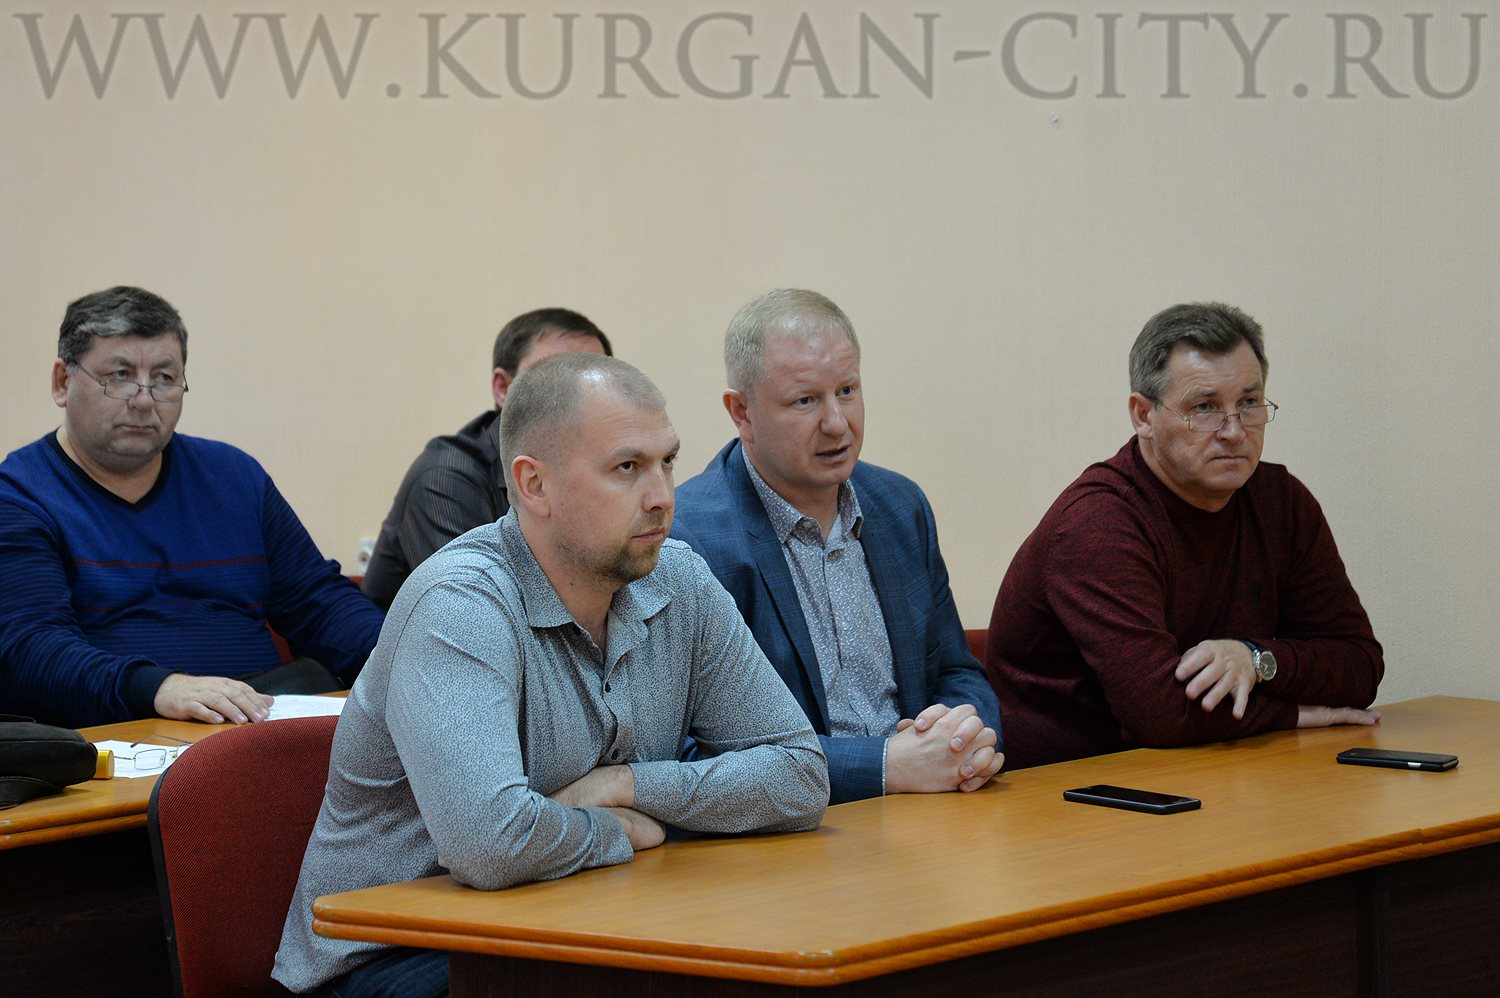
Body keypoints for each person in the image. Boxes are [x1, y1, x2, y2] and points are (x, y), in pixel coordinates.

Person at [273, 353, 828, 997]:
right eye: (627, 468)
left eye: (667, 462)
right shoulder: (459, 604)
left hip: (567, 919)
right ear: (534, 484)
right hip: (391, 955)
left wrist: (626, 786)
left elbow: (800, 775)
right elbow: (489, 847)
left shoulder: (679, 579)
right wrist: (616, 829)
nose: (661, 497)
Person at [986, 302, 1384, 769]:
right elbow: (1160, 714)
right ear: (1143, 416)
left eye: (1249, 404)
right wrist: (1293, 713)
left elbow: (1360, 665)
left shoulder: (1282, 501)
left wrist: (1255, 659)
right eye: (1204, 408)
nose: (1234, 431)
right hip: (1070, 784)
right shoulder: (1098, 523)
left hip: (1208, 767)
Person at [671, 289, 1002, 805]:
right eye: (805, 401)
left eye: (847, 390)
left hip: (935, 808)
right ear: (742, 412)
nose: (836, 422)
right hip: (793, 832)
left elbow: (957, 671)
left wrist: (962, 739)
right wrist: (884, 767)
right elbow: (693, 752)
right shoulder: (688, 540)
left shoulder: (900, 505)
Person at [0, 286, 383, 729]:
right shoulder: (20, 495)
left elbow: (319, 602)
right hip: (119, 735)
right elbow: (31, 651)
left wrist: (398, 656)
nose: (144, 400)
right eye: (119, 375)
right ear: (62, 383)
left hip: (258, 720)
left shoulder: (234, 478)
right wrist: (162, 688)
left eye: (164, 378)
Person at [361, 308, 611, 609]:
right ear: (503, 388)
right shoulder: (446, 475)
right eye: (557, 379)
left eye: (596, 380)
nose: (581, 399)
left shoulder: (600, 468)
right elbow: (479, 609)